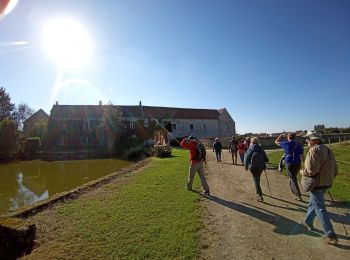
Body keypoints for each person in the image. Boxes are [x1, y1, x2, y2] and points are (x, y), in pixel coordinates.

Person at [300, 131, 338, 245]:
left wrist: (302, 172)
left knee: (320, 207)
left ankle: (330, 234)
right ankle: (307, 222)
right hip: (326, 182)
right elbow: (335, 170)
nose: (306, 141)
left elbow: (311, 171)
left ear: (314, 140)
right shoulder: (328, 149)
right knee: (313, 203)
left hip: (317, 183)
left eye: (308, 139)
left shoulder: (314, 150)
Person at [275, 133, 304, 201]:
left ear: (288, 137)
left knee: (293, 178)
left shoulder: (285, 143)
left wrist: (281, 136)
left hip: (289, 162)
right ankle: (293, 191)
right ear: (295, 137)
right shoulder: (298, 144)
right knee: (293, 177)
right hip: (297, 162)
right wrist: (304, 164)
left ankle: (298, 195)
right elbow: (302, 155)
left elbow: (276, 142)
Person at [244, 137, 269, 202]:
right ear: (258, 142)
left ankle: (260, 195)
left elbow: (246, 158)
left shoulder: (250, 149)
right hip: (261, 167)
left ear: (251, 142)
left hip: (253, 167)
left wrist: (246, 166)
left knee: (256, 180)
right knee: (258, 179)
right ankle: (258, 190)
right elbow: (267, 159)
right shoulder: (260, 148)